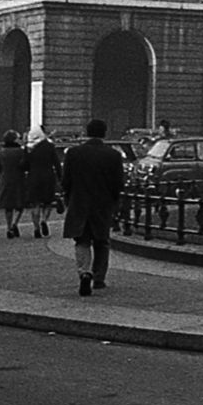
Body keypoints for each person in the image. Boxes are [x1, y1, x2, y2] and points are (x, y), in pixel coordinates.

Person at [63, 118, 125, 296]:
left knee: (81, 240)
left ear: (87, 132)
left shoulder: (73, 153)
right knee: (102, 241)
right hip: (103, 204)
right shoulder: (113, 155)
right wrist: (115, 202)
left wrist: (68, 197)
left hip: (79, 201)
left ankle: (84, 272)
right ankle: (99, 278)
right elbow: (118, 183)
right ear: (104, 133)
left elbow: (66, 181)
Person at [0, 130, 28, 238]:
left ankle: (8, 227)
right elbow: (24, 165)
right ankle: (15, 224)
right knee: (20, 204)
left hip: (6, 180)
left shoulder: (1, 152)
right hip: (19, 180)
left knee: (8, 206)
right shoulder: (20, 151)